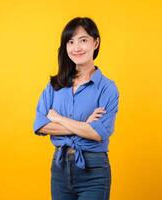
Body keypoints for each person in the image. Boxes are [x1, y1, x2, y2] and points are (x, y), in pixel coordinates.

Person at [33, 17, 119, 200]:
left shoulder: (107, 88)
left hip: (93, 169)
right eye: (70, 42)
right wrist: (84, 125)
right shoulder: (55, 85)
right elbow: (40, 125)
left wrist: (58, 118)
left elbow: (99, 133)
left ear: (95, 43)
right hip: (60, 167)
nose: (76, 47)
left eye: (83, 40)